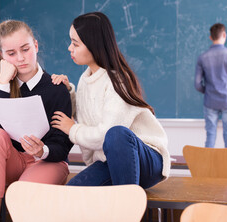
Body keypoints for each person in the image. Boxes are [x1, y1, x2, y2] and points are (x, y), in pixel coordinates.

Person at [51, 12, 170, 188]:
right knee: (73, 191)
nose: (70, 48)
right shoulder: (85, 79)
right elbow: (89, 112)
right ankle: (118, 206)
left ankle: (127, 209)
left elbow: (106, 135)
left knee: (115, 134)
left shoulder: (118, 81)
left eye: (75, 43)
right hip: (110, 161)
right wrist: (67, 91)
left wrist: (72, 130)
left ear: (94, 45)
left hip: (145, 159)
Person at [0, 20, 73, 222]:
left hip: (47, 161)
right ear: (2, 56)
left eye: (25, 49)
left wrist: (42, 151)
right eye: (11, 53)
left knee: (24, 193)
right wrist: (2, 84)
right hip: (12, 160)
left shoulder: (57, 87)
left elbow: (62, 144)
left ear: (35, 46)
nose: (20, 58)